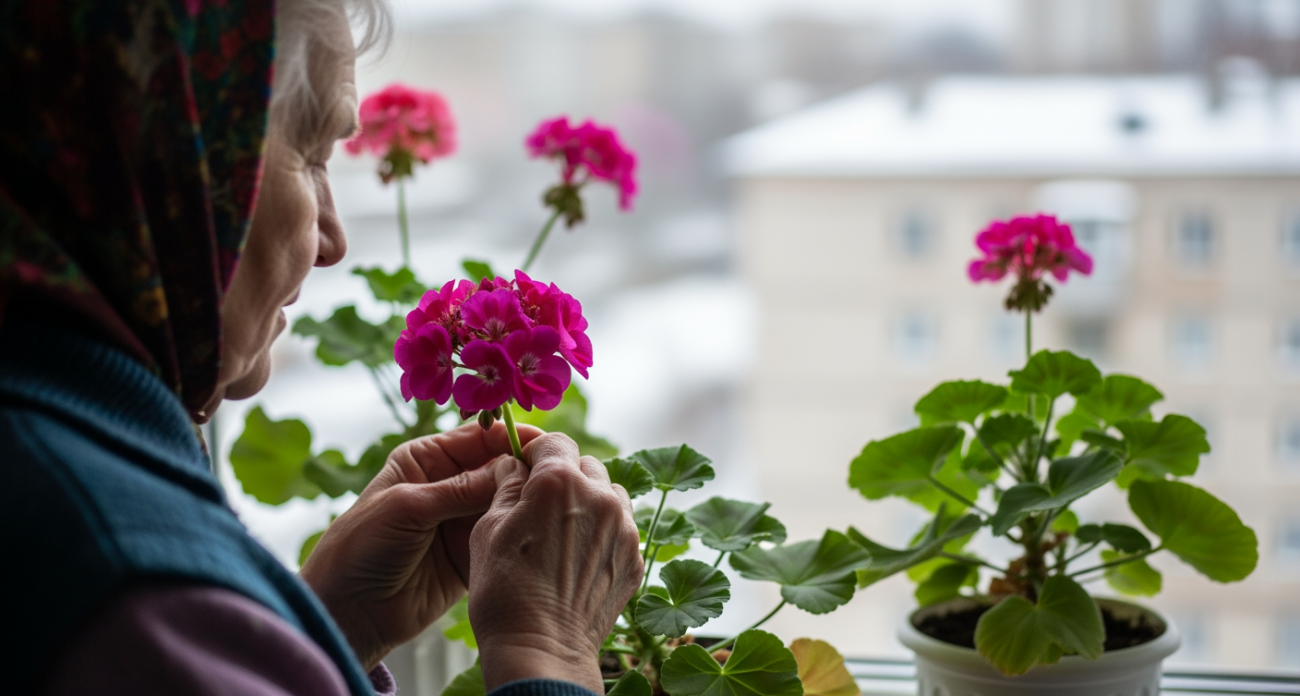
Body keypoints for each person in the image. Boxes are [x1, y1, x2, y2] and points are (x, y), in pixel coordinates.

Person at [0, 1, 644, 695]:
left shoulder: (50, 450)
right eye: (309, 157)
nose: (332, 241)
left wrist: (322, 627)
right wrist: (547, 648)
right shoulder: (133, 591)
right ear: (169, 163)